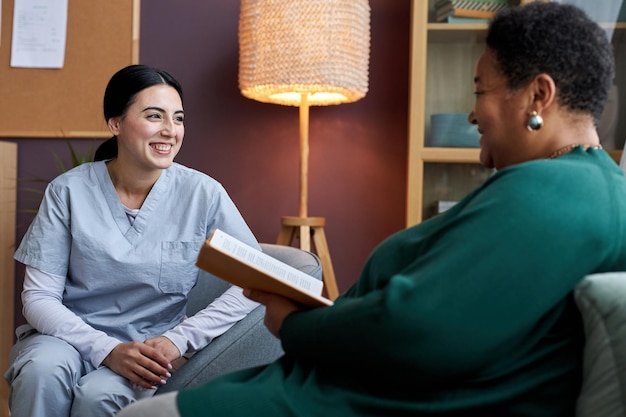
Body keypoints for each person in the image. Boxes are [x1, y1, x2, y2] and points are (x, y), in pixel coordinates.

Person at [118, 3, 625, 416]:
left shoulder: (546, 195)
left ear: (538, 95)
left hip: (373, 398)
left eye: (480, 91)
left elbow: (421, 329)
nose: (472, 112)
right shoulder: (592, 186)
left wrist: (294, 324)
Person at [4, 65, 260, 417]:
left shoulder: (203, 193)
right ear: (116, 123)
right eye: (154, 116)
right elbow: (38, 297)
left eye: (178, 118)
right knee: (40, 371)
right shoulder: (68, 191)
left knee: (99, 397)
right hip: (65, 337)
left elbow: (255, 279)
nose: (170, 131)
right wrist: (106, 349)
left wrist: (180, 339)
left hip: (148, 349)